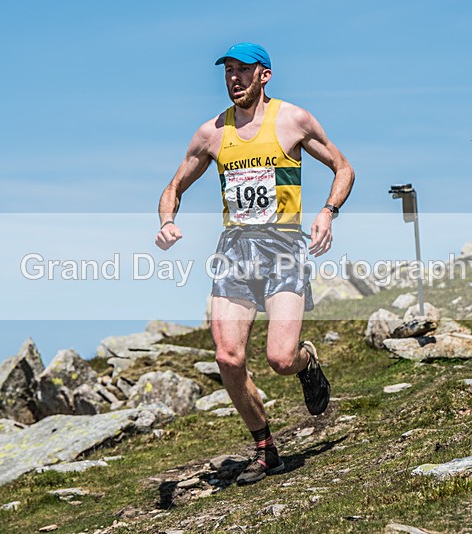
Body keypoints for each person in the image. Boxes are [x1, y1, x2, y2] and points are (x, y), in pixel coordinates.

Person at [155, 43, 355, 485]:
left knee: (280, 358)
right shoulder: (211, 133)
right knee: (228, 357)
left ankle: (307, 363)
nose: (234, 78)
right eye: (228, 71)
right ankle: (266, 449)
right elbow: (174, 187)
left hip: (283, 248)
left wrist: (327, 212)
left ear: (264, 75)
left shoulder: (293, 120)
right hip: (235, 251)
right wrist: (167, 221)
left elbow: (343, 168)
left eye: (243, 70)